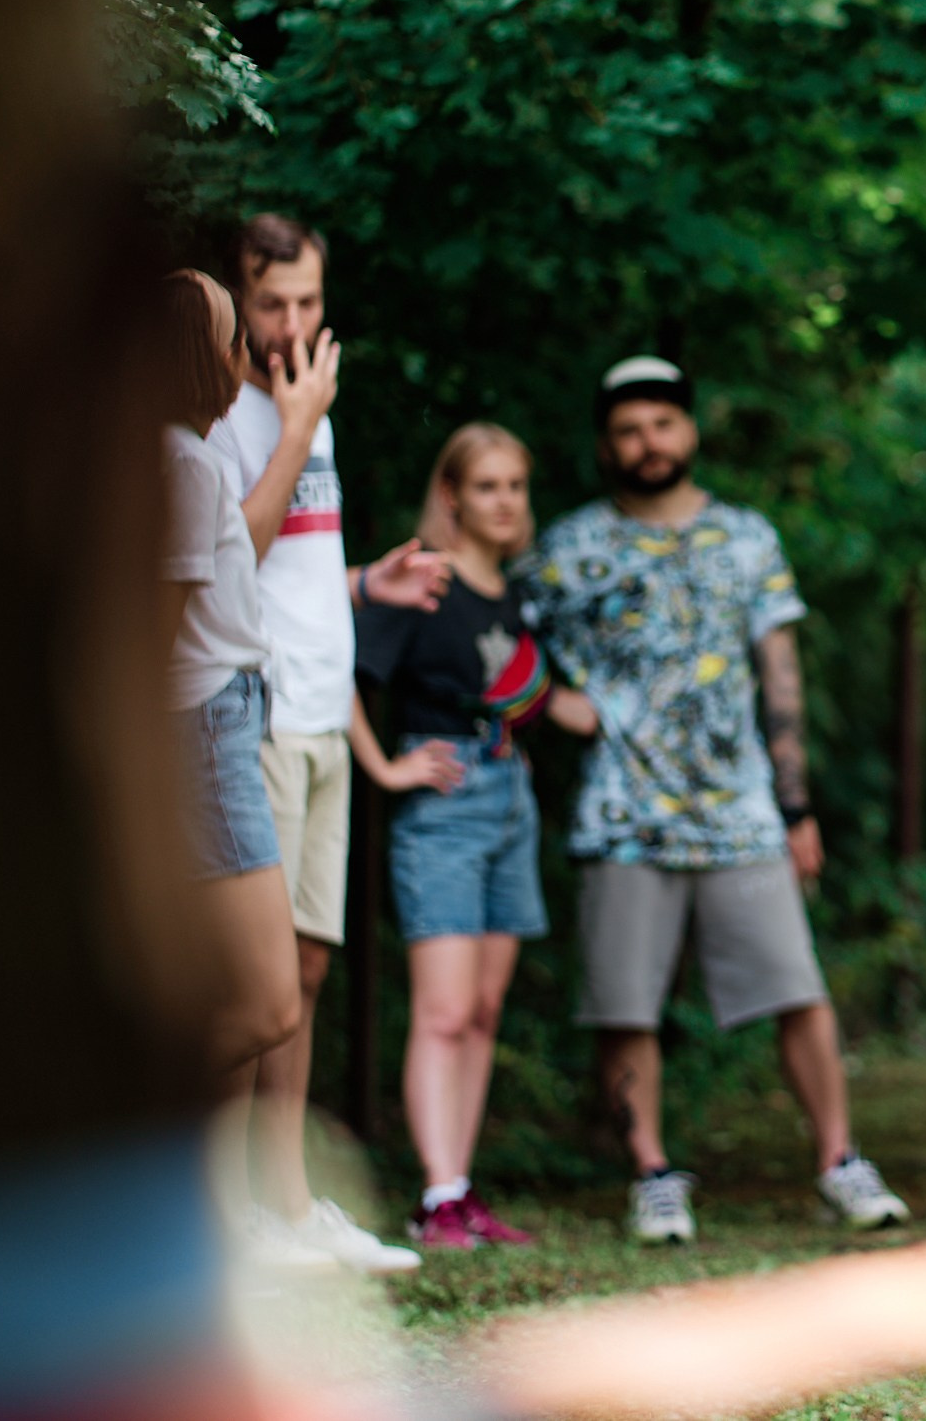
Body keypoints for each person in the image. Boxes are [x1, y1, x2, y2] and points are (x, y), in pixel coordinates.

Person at [517, 358, 911, 1244]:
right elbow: (494, 632)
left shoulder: (746, 537)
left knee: (797, 988)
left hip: (741, 808)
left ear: (689, 431)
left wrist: (797, 803)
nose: (646, 443)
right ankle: (653, 1175)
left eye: (661, 424)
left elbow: (780, 671)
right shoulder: (570, 546)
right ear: (605, 445)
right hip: (623, 813)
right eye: (627, 429)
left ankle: (841, 1161)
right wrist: (549, 704)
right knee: (627, 1003)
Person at [205, 214, 443, 1275]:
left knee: (303, 965)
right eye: (271, 304)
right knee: (245, 978)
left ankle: (289, 1206)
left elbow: (291, 566)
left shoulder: (311, 408)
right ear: (234, 299)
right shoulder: (217, 416)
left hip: (321, 708)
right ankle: (214, 1215)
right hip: (246, 712)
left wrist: (365, 584)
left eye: (308, 301)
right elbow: (216, 564)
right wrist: (295, 427)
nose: (293, 324)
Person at [355, 425, 598, 1250]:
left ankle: (459, 1189)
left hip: (510, 798)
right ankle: (436, 1198)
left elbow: (528, 694)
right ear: (452, 495)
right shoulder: (424, 581)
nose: (506, 501)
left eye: (516, 486)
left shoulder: (515, 595)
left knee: (486, 1009)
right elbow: (344, 673)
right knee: (445, 1009)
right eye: (487, 486)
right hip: (444, 804)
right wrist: (386, 770)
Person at [156, 268, 314, 1268]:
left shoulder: (189, 455)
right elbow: (153, 632)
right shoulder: (180, 462)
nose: (240, 354)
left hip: (225, 714)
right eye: (226, 335)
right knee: (264, 999)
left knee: (245, 991)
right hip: (202, 726)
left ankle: (199, 1223)